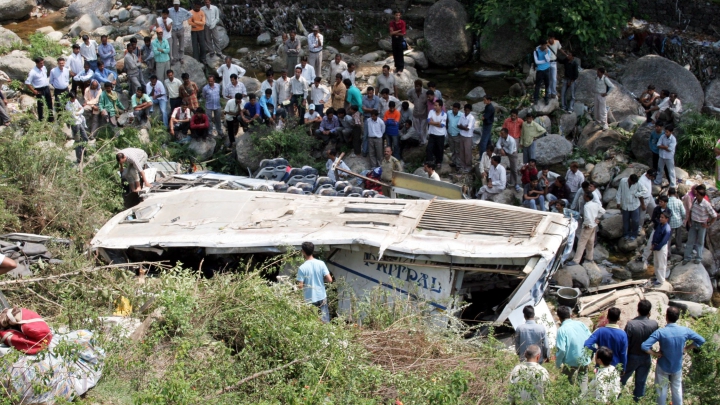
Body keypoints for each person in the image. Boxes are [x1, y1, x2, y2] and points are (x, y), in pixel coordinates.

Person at [642, 307, 706, 405]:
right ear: (678, 317)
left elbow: (644, 346)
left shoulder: (661, 332)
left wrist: (655, 353)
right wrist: (687, 348)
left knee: (661, 392)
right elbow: (701, 340)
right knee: (677, 391)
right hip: (677, 366)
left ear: (666, 317)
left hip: (663, 365)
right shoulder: (685, 330)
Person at [621, 300, 659, 402]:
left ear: (637, 310)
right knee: (641, 383)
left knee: (622, 381)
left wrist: (622, 361)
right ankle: (637, 402)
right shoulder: (654, 324)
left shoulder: (631, 324)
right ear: (649, 311)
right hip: (646, 357)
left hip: (632, 356)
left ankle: (616, 400)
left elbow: (625, 344)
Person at [555, 306, 591, 392]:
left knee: (565, 380)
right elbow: (591, 338)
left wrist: (558, 364)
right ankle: (583, 400)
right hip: (584, 358)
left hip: (570, 361)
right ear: (571, 315)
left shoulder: (562, 330)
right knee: (583, 380)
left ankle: (569, 398)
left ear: (559, 317)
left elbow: (561, 350)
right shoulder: (580, 324)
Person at [296, 241, 333, 323]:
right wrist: (320, 280)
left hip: (309, 298)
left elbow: (300, 286)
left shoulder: (302, 268)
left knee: (312, 322)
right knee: (325, 321)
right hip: (321, 296)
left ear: (303, 252)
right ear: (313, 250)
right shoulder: (321, 264)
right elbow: (330, 280)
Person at [584, 307, 628, 371]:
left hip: (601, 365)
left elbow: (587, 344)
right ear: (619, 318)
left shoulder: (599, 331)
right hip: (616, 367)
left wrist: (597, 350)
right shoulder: (623, 334)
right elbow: (623, 354)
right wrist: (623, 368)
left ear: (607, 317)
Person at [568, 192, 605, 265]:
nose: (584, 196)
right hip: (594, 225)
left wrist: (587, 224)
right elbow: (603, 211)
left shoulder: (587, 206)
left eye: (585, 195)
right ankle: (589, 257)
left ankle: (576, 260)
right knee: (590, 242)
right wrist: (597, 218)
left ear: (587, 197)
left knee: (581, 243)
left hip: (588, 226)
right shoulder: (596, 204)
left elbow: (587, 217)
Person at [684, 184, 717, 264]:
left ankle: (698, 258)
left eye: (698, 195)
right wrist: (689, 221)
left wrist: (708, 224)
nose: (696, 195)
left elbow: (714, 216)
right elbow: (691, 210)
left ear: (702, 196)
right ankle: (687, 258)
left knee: (700, 242)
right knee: (690, 241)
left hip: (701, 225)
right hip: (693, 223)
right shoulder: (695, 200)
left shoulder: (706, 204)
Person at [639, 195, 669, 269]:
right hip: (656, 229)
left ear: (665, 203)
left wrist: (661, 224)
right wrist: (659, 223)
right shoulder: (656, 209)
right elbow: (653, 218)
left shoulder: (668, 211)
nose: (659, 203)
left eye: (661, 202)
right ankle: (644, 257)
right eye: (659, 201)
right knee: (650, 243)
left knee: (662, 245)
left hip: (663, 231)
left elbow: (668, 222)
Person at [616, 174, 647, 241]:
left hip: (634, 205)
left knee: (635, 221)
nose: (633, 183)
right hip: (625, 205)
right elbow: (619, 191)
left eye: (634, 183)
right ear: (629, 179)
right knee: (625, 221)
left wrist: (637, 194)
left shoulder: (637, 183)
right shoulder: (623, 181)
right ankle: (626, 234)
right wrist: (618, 202)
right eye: (632, 182)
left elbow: (645, 190)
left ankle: (634, 234)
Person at [26, 57, 53, 122]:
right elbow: (27, 83)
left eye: (43, 63)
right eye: (41, 63)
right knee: (40, 105)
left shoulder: (44, 68)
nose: (42, 64)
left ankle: (51, 118)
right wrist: (34, 91)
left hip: (46, 88)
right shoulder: (33, 72)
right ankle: (41, 119)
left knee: (49, 103)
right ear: (37, 63)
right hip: (39, 90)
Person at [66, 92, 88, 164]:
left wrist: (78, 112)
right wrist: (78, 112)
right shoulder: (68, 106)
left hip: (80, 122)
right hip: (75, 124)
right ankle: (79, 159)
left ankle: (84, 153)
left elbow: (81, 109)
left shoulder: (76, 101)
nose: (74, 99)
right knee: (77, 141)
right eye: (72, 98)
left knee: (85, 138)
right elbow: (73, 115)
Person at [426, 100, 447, 167]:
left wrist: (433, 123)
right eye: (434, 105)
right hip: (432, 133)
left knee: (440, 149)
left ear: (440, 106)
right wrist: (437, 123)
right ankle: (429, 161)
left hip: (440, 134)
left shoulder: (444, 114)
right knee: (429, 148)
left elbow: (442, 125)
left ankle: (439, 162)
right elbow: (429, 121)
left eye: (436, 105)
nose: (434, 107)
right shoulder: (431, 112)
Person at [407, 80, 428, 144]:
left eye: (418, 86)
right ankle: (419, 141)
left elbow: (432, 97)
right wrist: (411, 101)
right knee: (416, 130)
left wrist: (427, 104)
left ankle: (424, 141)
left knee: (422, 130)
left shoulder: (425, 92)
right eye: (415, 86)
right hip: (415, 113)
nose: (416, 88)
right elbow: (408, 94)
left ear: (421, 86)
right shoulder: (412, 91)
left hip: (424, 114)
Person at [456, 104, 475, 173]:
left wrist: (462, 127)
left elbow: (467, 129)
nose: (466, 111)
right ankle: (462, 165)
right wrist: (464, 127)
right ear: (464, 110)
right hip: (462, 135)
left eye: (468, 110)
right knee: (462, 151)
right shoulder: (462, 116)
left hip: (468, 137)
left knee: (467, 152)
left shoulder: (471, 118)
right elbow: (458, 125)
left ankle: (468, 166)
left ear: (470, 110)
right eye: (465, 110)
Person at [361, 87, 380, 156]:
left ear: (373, 92)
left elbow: (375, 110)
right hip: (366, 118)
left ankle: (374, 151)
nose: (369, 95)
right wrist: (370, 109)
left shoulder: (377, 98)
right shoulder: (364, 98)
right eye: (368, 93)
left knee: (374, 135)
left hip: (375, 118)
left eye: (371, 93)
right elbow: (363, 109)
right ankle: (365, 151)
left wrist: (367, 109)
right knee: (366, 135)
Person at [667, 187, 686, 254]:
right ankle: (679, 248)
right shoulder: (679, 201)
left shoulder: (667, 201)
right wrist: (683, 219)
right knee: (678, 236)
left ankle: (667, 252)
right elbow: (683, 213)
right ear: (675, 194)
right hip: (678, 221)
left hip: (669, 222)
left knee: (668, 237)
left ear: (668, 193)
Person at [445, 102, 462, 169]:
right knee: (452, 149)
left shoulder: (461, 115)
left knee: (457, 150)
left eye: (455, 109)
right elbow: (446, 121)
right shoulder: (449, 113)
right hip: (450, 134)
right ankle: (454, 162)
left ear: (458, 109)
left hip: (457, 135)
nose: (454, 110)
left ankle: (458, 164)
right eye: (453, 109)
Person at [546, 35, 562, 99]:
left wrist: (566, 55)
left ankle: (553, 92)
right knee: (549, 78)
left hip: (554, 62)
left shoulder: (557, 42)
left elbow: (560, 49)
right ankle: (549, 92)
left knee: (554, 79)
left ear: (554, 38)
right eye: (549, 39)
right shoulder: (546, 43)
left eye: (551, 38)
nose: (550, 40)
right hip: (548, 62)